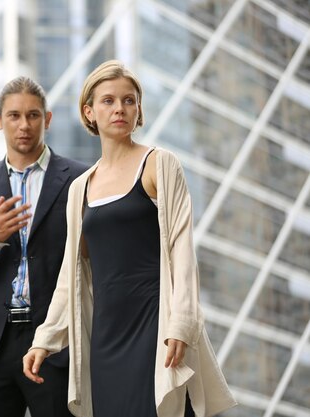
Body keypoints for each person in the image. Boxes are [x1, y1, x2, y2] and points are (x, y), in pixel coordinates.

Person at [23, 60, 237, 417]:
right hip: (106, 331)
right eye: (108, 101)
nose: (119, 108)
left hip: (155, 322)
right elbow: (71, 274)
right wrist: (45, 340)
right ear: (89, 112)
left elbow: (182, 252)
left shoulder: (160, 164)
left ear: (139, 110)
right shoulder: (80, 189)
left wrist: (181, 324)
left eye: (129, 100)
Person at [0, 76, 88, 417]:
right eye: (14, 116)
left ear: (48, 119)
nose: (24, 125)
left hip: (56, 342)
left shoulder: (80, 179)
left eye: (33, 115)